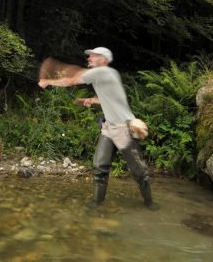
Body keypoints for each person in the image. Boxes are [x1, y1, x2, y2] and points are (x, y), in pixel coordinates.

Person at [38, 47, 158, 210]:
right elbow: (107, 98)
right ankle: (97, 202)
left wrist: (48, 81)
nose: (89, 58)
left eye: (93, 56)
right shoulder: (105, 76)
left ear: (104, 59)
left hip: (124, 128)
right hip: (108, 128)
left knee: (139, 171)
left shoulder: (103, 72)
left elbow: (71, 79)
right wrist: (90, 100)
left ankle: (150, 202)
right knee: (99, 166)